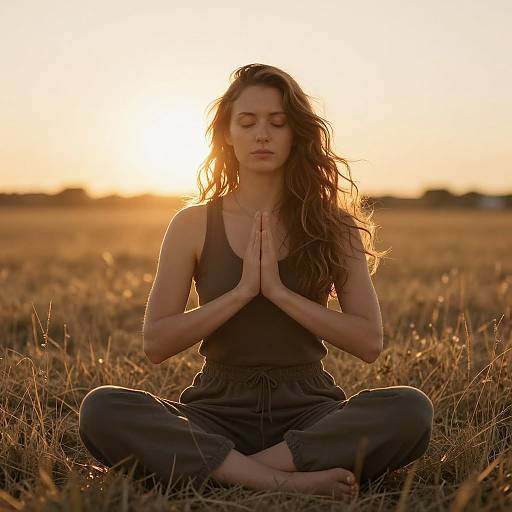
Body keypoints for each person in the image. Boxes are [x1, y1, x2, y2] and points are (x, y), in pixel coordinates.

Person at [78, 63, 434, 502]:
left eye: (277, 122)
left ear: (295, 134)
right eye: (247, 122)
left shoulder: (334, 226)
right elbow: (156, 343)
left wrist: (280, 294)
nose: (262, 134)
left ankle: (226, 470)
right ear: (227, 134)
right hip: (215, 409)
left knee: (409, 408)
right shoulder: (192, 224)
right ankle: (286, 479)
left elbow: (368, 341)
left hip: (308, 410)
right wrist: (242, 292)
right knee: (103, 407)